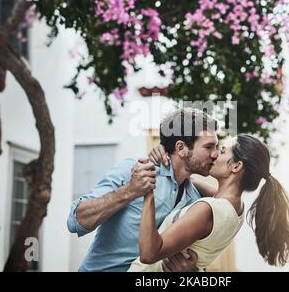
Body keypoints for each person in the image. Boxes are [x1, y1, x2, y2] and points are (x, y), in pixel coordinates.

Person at [67, 108, 219, 271]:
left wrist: (192, 271)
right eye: (209, 147)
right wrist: (130, 190)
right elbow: (75, 220)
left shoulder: (195, 200)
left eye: (216, 147)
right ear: (181, 148)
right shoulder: (134, 170)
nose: (215, 154)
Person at [128, 134, 289, 271]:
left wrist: (147, 191)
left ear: (236, 166)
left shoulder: (207, 210)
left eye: (221, 150)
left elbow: (149, 254)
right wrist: (171, 155)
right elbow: (190, 179)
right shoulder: (236, 209)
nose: (214, 154)